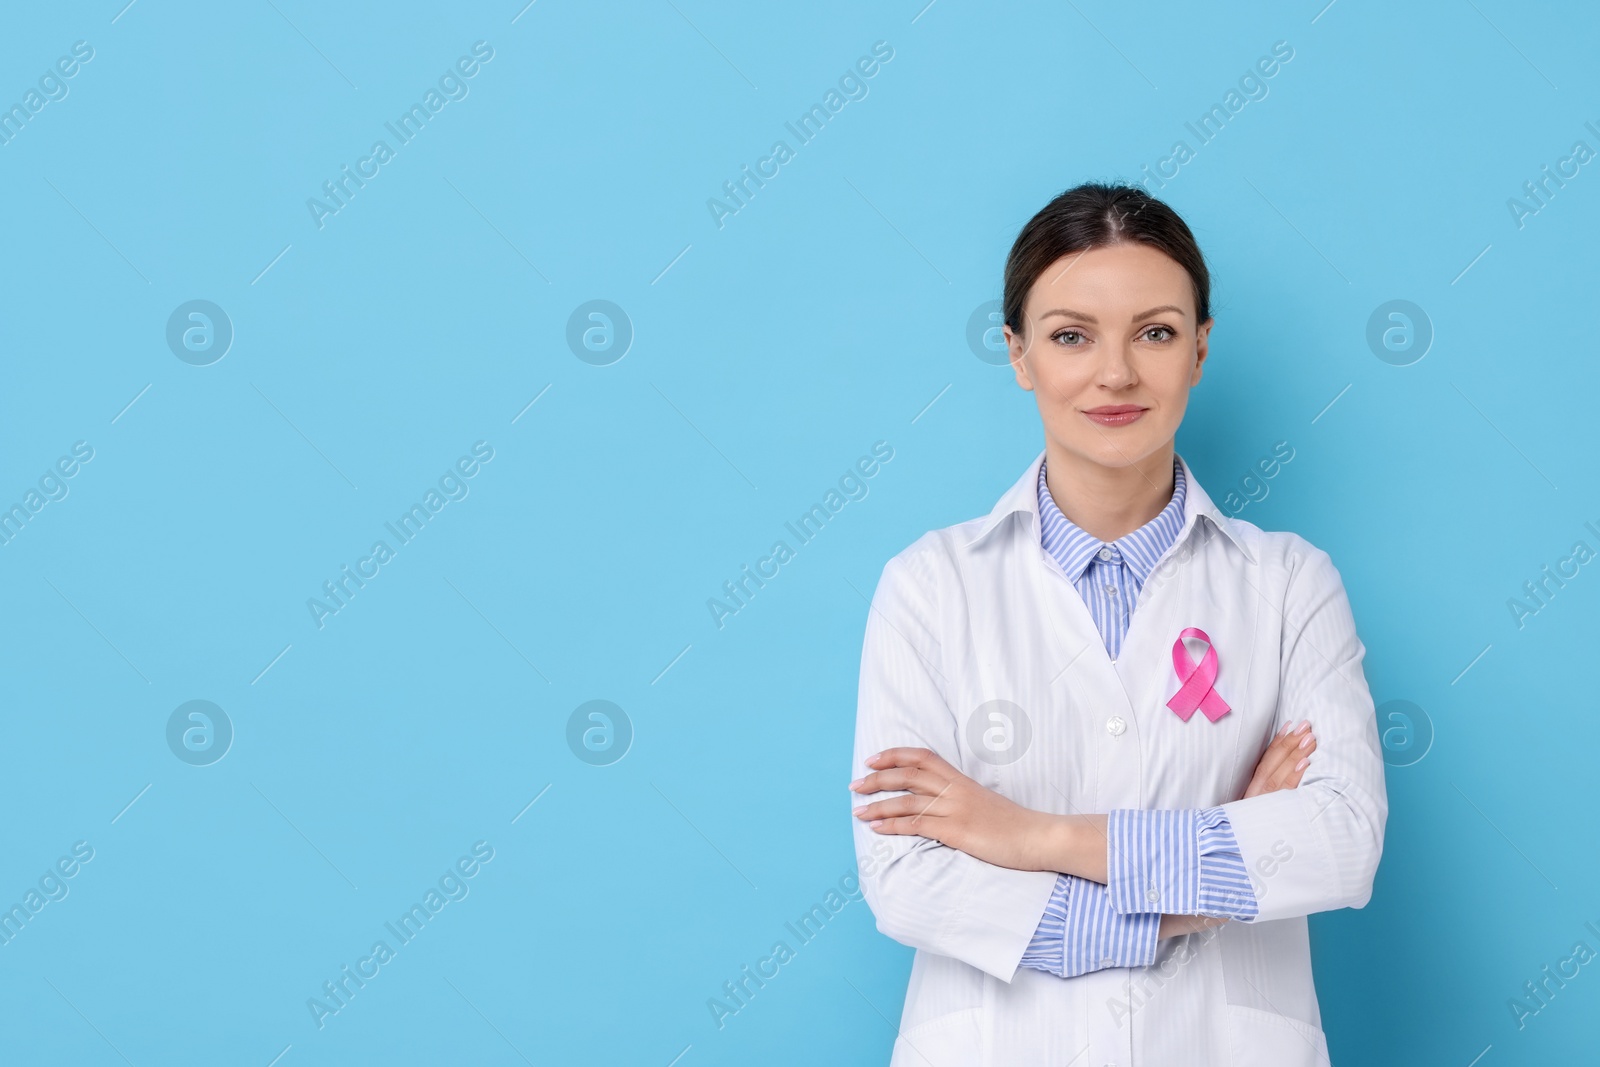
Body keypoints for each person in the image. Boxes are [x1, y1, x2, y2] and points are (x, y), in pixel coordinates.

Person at [847, 182, 1386, 1066]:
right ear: (1018, 353)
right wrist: (1203, 891)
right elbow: (907, 881)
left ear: (1201, 348)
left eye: (1156, 331)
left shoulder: (1290, 582)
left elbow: (1338, 843)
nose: (1116, 373)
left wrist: (1033, 836)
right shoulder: (929, 586)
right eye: (1070, 335)